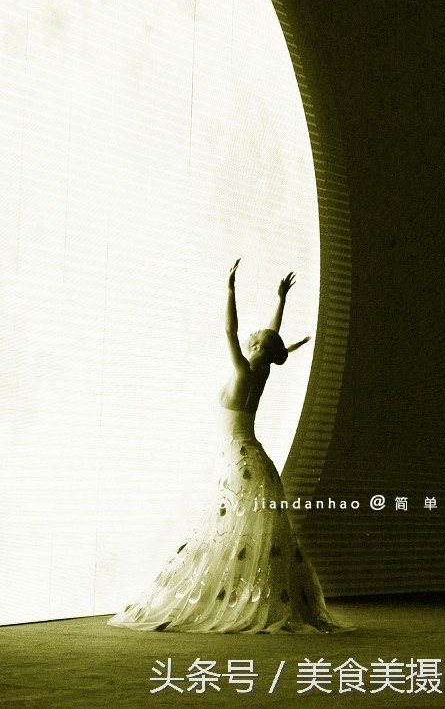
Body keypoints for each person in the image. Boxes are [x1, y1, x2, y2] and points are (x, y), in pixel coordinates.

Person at [108, 259, 348, 633]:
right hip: (253, 460)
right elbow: (272, 338)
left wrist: (231, 289)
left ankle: (231, 600)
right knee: (246, 534)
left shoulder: (244, 371)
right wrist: (281, 301)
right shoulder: (262, 372)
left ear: (256, 347)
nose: (255, 336)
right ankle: (246, 597)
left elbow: (229, 330)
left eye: (258, 338)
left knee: (230, 531)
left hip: (241, 461)